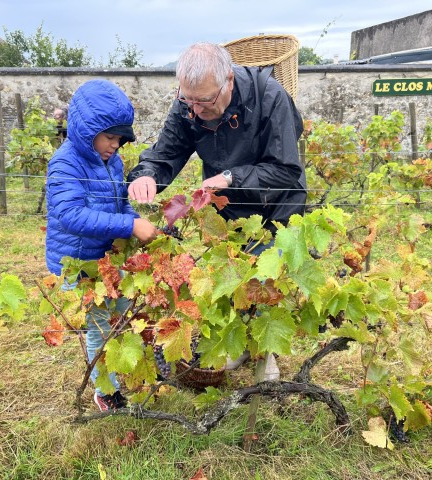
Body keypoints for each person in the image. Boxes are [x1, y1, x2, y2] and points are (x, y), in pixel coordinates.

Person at [127, 42, 307, 380]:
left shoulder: (270, 98)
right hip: (228, 208)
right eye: (188, 101)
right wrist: (146, 174)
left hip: (277, 207)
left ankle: (265, 356)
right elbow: (166, 151)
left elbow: (285, 171)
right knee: (233, 280)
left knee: (265, 283)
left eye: (204, 101)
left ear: (228, 80)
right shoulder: (190, 103)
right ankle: (240, 346)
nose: (195, 110)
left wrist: (231, 176)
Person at [45, 79, 158, 412]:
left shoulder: (113, 161)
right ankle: (104, 390)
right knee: (98, 327)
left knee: (123, 315)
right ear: (86, 130)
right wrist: (129, 224)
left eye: (120, 139)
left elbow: (121, 202)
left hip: (109, 259)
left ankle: (127, 371)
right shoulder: (65, 164)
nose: (115, 145)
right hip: (80, 264)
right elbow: (70, 215)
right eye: (110, 137)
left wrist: (133, 220)